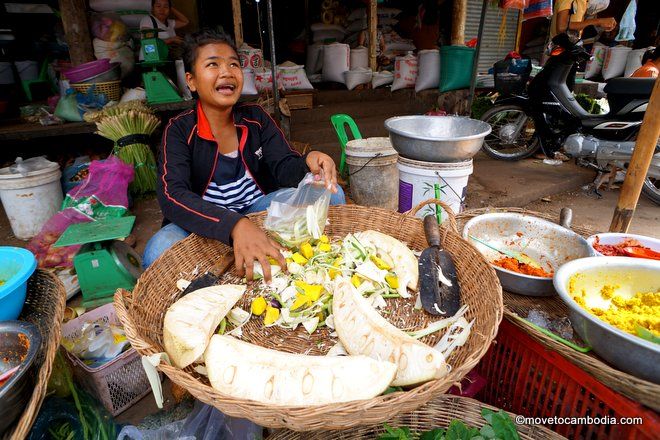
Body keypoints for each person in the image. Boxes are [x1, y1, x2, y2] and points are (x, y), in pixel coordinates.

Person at [143, 30, 345, 281]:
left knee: (330, 194)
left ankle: (315, 267)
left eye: (233, 64)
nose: (226, 71)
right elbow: (173, 195)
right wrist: (234, 225)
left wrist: (308, 161)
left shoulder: (256, 118)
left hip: (258, 210)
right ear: (191, 81)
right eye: (212, 64)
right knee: (157, 251)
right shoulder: (179, 130)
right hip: (205, 222)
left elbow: (283, 166)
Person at [549, 0, 617, 40]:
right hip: (555, 50)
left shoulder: (584, 2)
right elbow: (562, 27)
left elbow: (576, 27)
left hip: (569, 50)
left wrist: (600, 25)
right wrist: (598, 21)